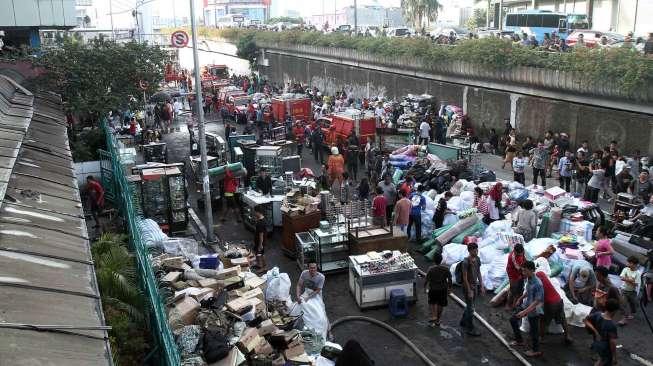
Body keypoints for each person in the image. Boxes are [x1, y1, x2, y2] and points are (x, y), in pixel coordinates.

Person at [509, 261, 543, 357]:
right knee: (513, 319)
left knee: (534, 331)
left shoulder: (538, 284)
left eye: (525, 271)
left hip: (535, 310)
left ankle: (536, 350)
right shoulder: (529, 279)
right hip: (527, 305)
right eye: (522, 271)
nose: (523, 273)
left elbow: (537, 302)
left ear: (532, 270)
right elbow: (528, 291)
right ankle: (519, 340)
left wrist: (524, 312)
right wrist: (520, 298)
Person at [536, 269, 572, 345]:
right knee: (563, 319)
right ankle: (567, 336)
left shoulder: (536, 282)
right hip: (558, 300)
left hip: (550, 304)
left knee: (543, 321)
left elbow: (537, 298)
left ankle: (541, 338)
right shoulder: (542, 275)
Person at [584, 298, 619, 366]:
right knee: (604, 361)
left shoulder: (598, 314)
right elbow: (612, 343)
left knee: (600, 359)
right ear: (614, 311)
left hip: (596, 344)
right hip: (605, 349)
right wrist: (614, 356)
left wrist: (595, 331)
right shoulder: (611, 325)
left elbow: (585, 320)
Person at [460, 242, 484, 336]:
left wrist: (481, 285)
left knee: (470, 306)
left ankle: (463, 321)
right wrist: (469, 290)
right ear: (470, 251)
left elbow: (478, 272)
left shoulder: (477, 259)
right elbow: (465, 277)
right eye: (474, 250)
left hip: (475, 286)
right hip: (468, 287)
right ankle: (470, 328)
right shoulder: (466, 262)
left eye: (477, 249)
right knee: (471, 308)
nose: (476, 251)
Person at [425, 252, 452, 327]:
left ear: (434, 260)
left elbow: (427, 279)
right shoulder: (445, 269)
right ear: (441, 260)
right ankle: (438, 320)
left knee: (432, 303)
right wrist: (449, 288)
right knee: (441, 304)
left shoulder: (431, 269)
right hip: (443, 289)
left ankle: (433, 315)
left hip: (433, 289)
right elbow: (450, 279)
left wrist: (425, 287)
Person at [618, 256, 641, 326]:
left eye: (630, 263)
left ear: (635, 264)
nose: (628, 264)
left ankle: (632, 312)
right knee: (623, 304)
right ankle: (623, 319)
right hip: (624, 290)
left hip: (632, 292)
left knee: (633, 304)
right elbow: (621, 277)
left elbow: (636, 284)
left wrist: (627, 279)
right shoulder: (625, 269)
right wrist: (630, 280)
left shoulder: (638, 273)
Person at [506, 243, 526, 310]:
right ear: (514, 251)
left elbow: (524, 259)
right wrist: (525, 273)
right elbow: (519, 268)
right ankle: (508, 305)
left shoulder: (522, 251)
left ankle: (515, 305)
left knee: (519, 289)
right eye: (519, 254)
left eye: (521, 253)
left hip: (520, 272)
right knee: (513, 290)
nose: (520, 255)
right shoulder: (512, 257)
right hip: (512, 274)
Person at [253, 208, 267, 273]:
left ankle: (263, 267)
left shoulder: (260, 223)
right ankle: (259, 264)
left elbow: (261, 234)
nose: (254, 213)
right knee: (259, 253)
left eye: (255, 212)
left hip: (260, 241)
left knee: (260, 254)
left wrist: (260, 244)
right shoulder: (262, 219)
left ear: (258, 212)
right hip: (259, 241)